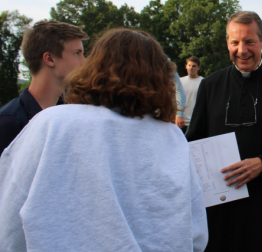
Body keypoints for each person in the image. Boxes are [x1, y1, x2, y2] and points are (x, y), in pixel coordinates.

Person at [0, 29, 208, 251]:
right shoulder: (171, 136)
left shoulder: (52, 123)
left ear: (95, 66)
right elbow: (196, 232)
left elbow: (10, 218)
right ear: (158, 76)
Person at [185, 11, 262, 252]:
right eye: (235, 42)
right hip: (216, 206)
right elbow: (194, 141)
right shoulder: (210, 85)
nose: (241, 50)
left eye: (249, 42)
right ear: (227, 43)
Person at [0, 21, 88, 152]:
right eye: (77, 53)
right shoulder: (9, 123)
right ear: (49, 59)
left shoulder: (69, 117)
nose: (85, 62)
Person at [179, 56, 204, 133]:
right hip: (181, 121)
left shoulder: (203, 82)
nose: (191, 68)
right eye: (189, 65)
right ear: (186, 66)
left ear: (198, 68)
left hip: (196, 122)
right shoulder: (179, 82)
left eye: (194, 66)